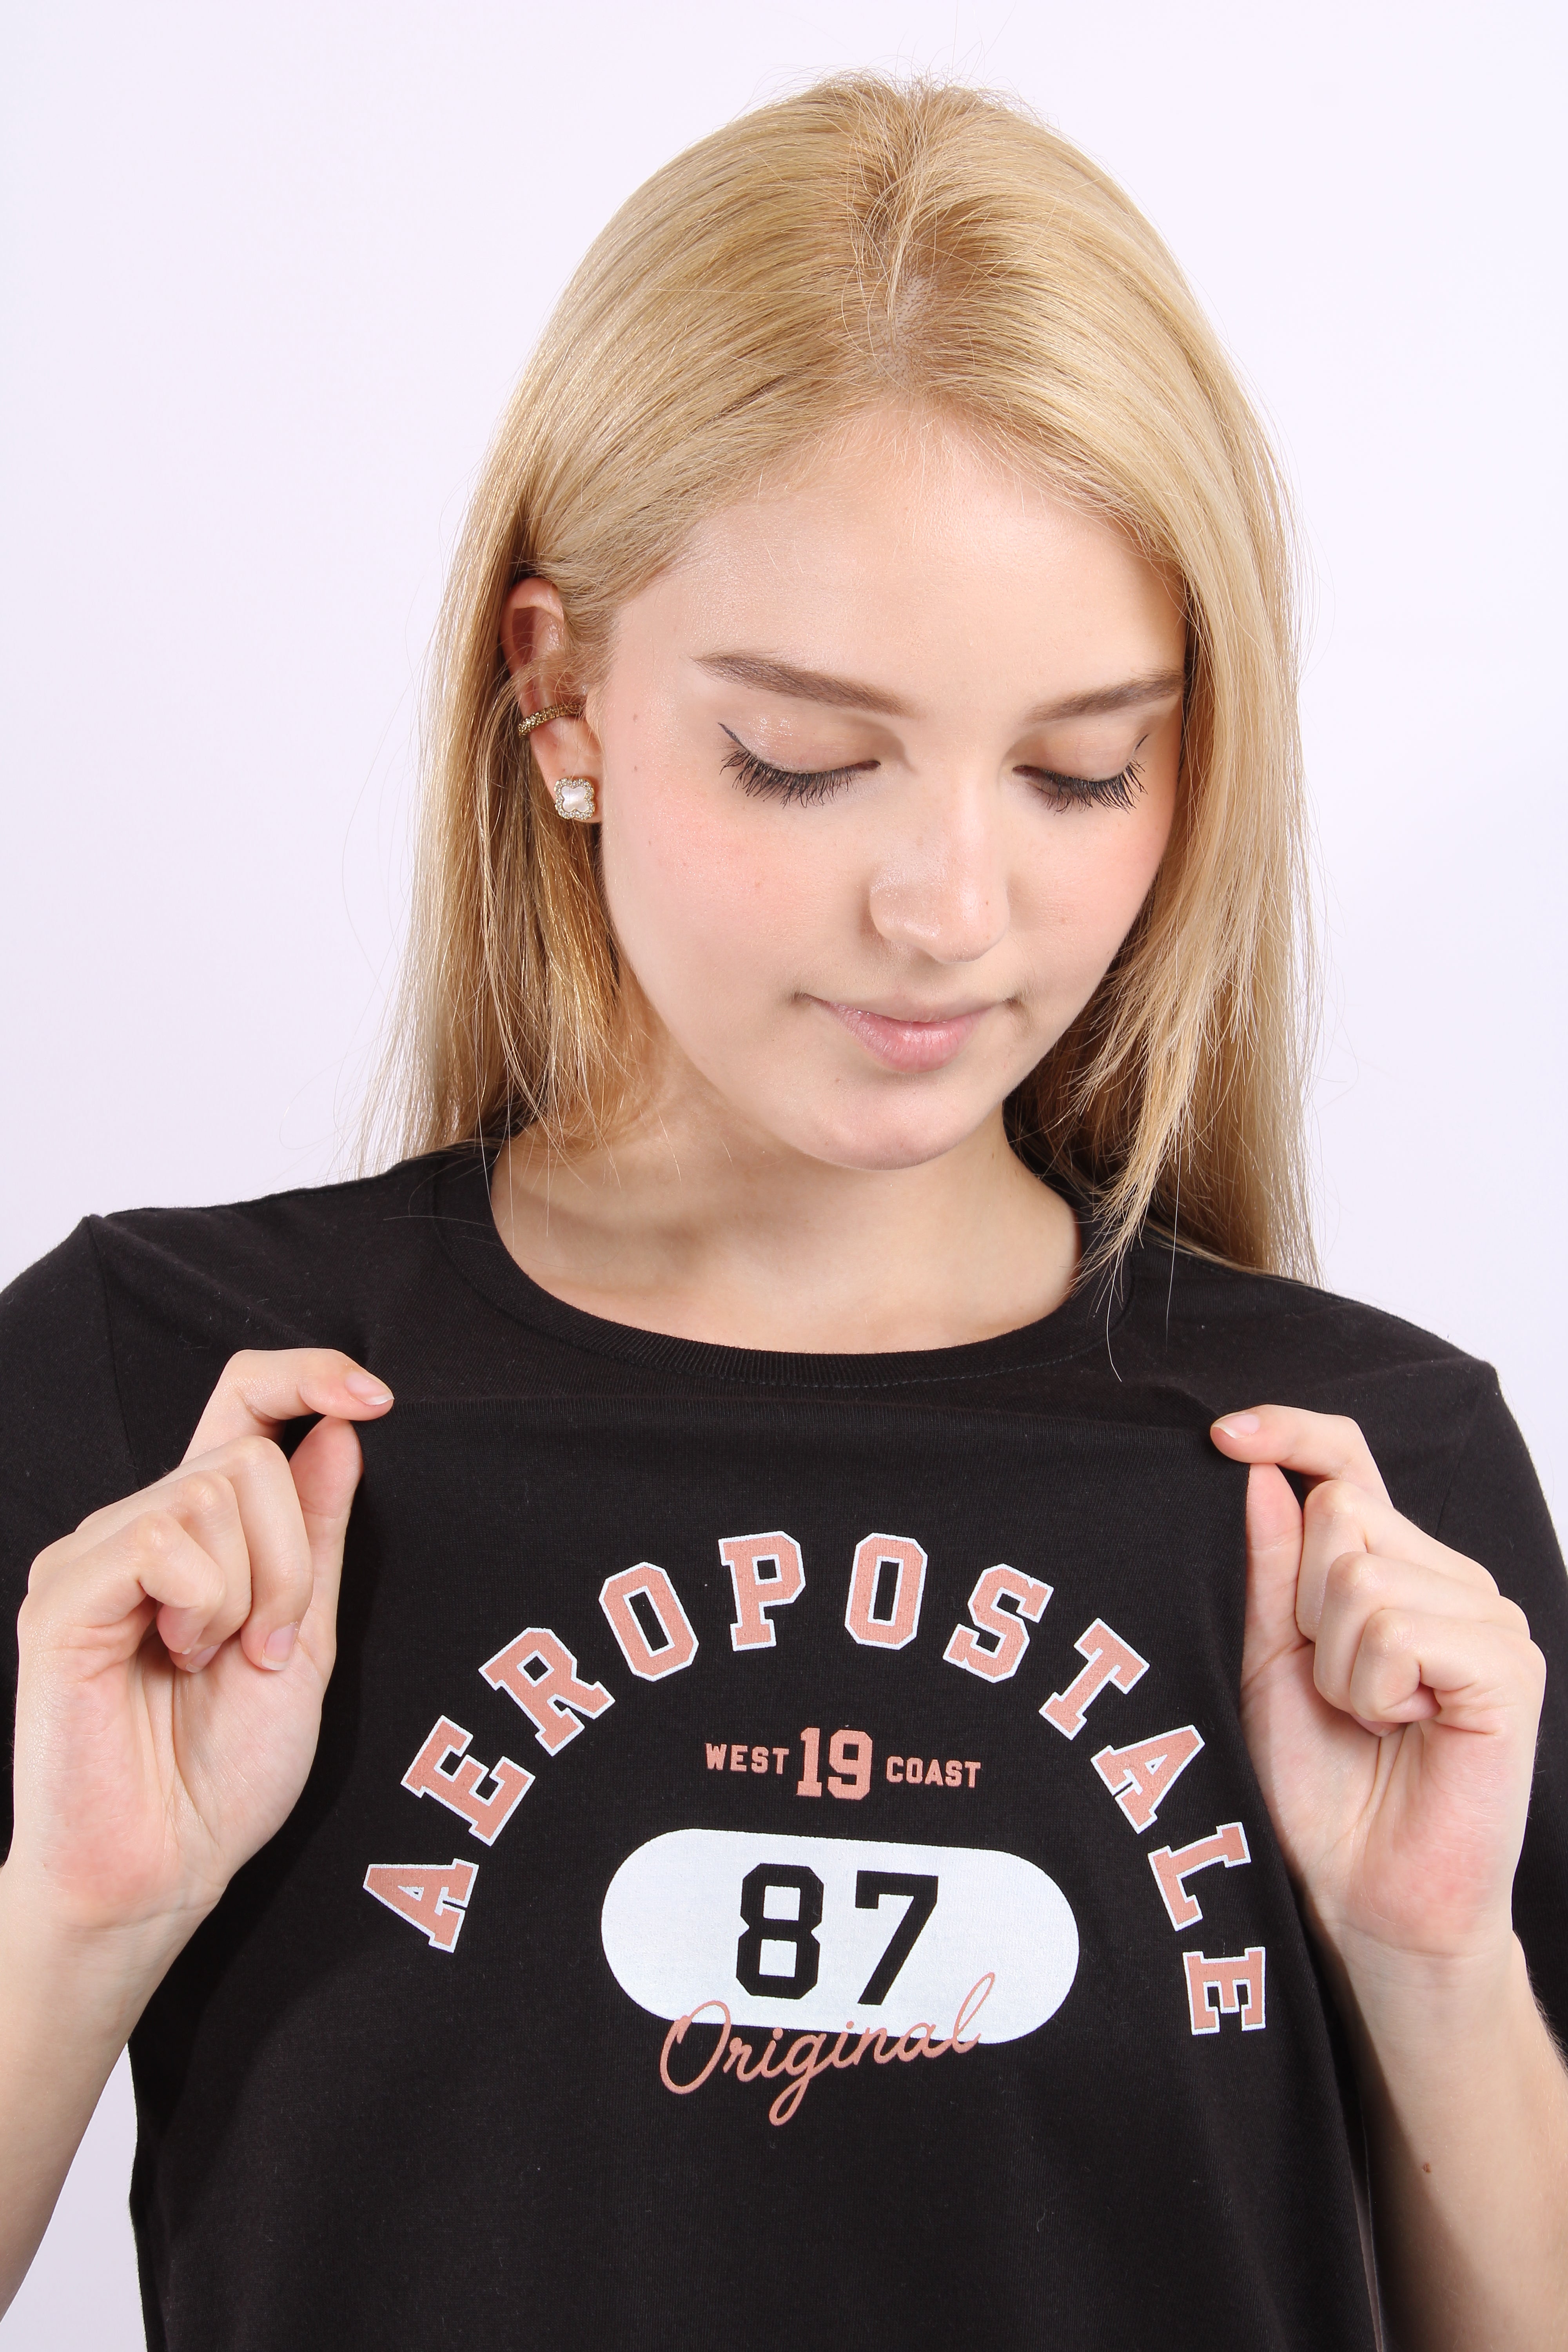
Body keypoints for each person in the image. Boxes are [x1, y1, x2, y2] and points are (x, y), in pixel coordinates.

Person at [1, 71, 1564, 2352]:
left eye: (1082, 769)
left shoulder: (1368, 1503)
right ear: (562, 696)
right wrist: (70, 1926)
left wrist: (1436, 1971)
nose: (949, 907)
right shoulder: (174, 1416)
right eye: (808, 759)